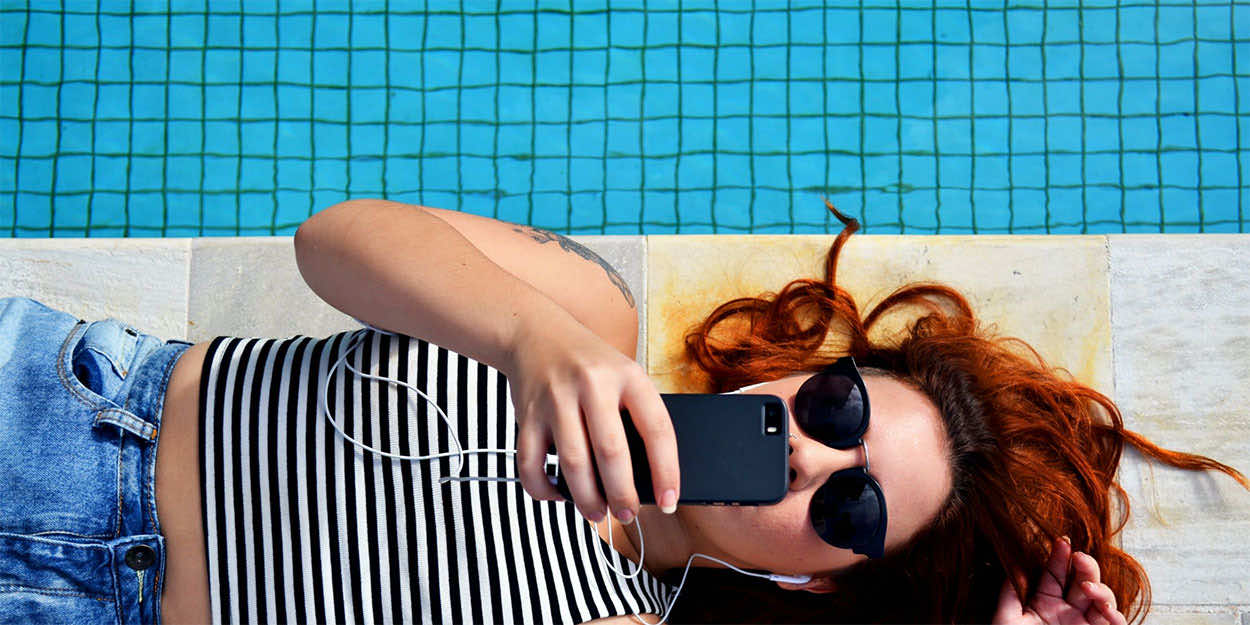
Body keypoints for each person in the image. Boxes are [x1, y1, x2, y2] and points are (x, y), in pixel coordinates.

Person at [0, 199, 1241, 625]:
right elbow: (333, 242)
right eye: (837, 406)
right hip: (64, 412)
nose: (808, 451)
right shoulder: (589, 318)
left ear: (821, 581)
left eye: (849, 505)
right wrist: (524, 336)